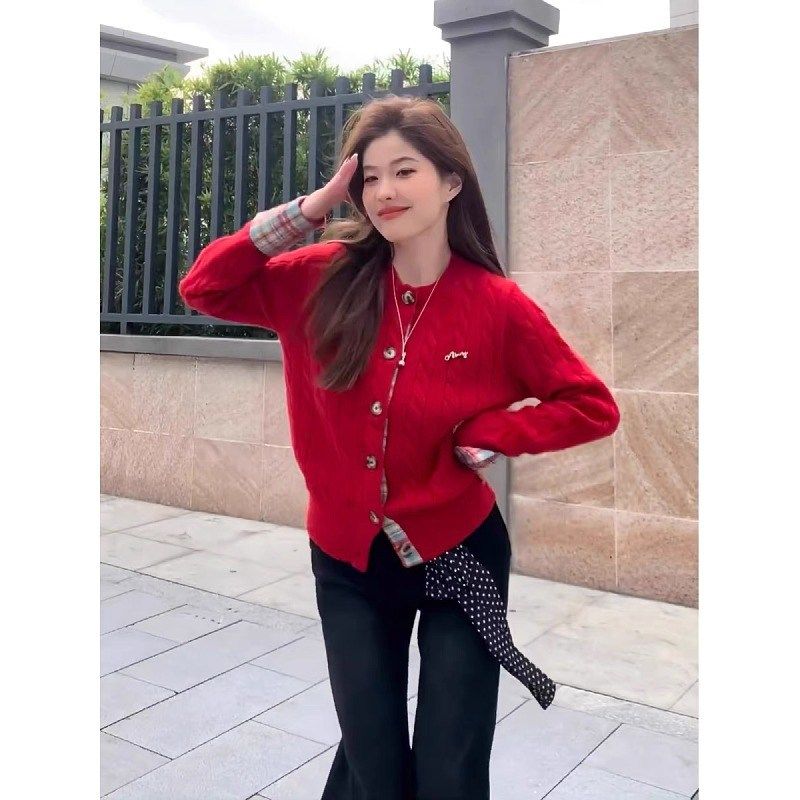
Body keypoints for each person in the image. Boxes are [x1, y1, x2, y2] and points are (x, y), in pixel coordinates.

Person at [179, 95, 620, 800]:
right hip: (349, 563)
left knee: (450, 768)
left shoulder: (497, 305)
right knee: (374, 765)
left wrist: (492, 432)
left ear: (451, 182)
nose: (384, 191)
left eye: (405, 171)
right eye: (370, 177)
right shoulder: (318, 279)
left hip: (459, 553)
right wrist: (309, 210)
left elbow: (591, 406)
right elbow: (204, 286)